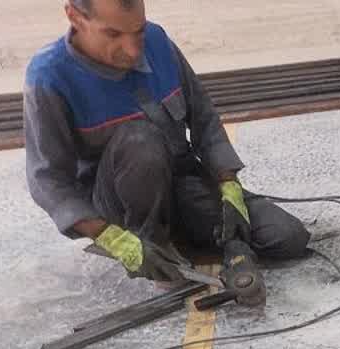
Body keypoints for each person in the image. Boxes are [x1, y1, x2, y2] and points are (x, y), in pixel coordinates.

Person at [23, 0, 308, 283]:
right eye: (113, 34)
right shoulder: (49, 76)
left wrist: (229, 186)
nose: (133, 50)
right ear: (75, 17)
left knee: (286, 236)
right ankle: (150, 242)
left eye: (138, 31)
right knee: (140, 139)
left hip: (181, 184)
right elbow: (48, 181)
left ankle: (180, 241)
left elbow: (204, 120)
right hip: (119, 207)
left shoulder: (157, 41)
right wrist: (112, 239)